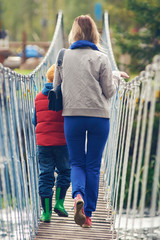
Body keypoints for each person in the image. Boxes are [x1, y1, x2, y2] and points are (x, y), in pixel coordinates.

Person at [53, 15, 129, 228]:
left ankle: (77, 196)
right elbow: (109, 92)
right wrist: (114, 76)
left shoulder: (63, 56)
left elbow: (56, 86)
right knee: (93, 166)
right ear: (95, 33)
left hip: (72, 116)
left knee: (76, 162)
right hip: (99, 117)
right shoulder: (102, 58)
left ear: (74, 33)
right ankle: (87, 216)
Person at [32, 64, 71, 222]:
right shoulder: (66, 95)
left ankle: (46, 213)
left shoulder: (38, 97)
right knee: (65, 172)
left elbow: (35, 120)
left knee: (45, 175)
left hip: (43, 143)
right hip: (62, 142)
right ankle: (59, 204)